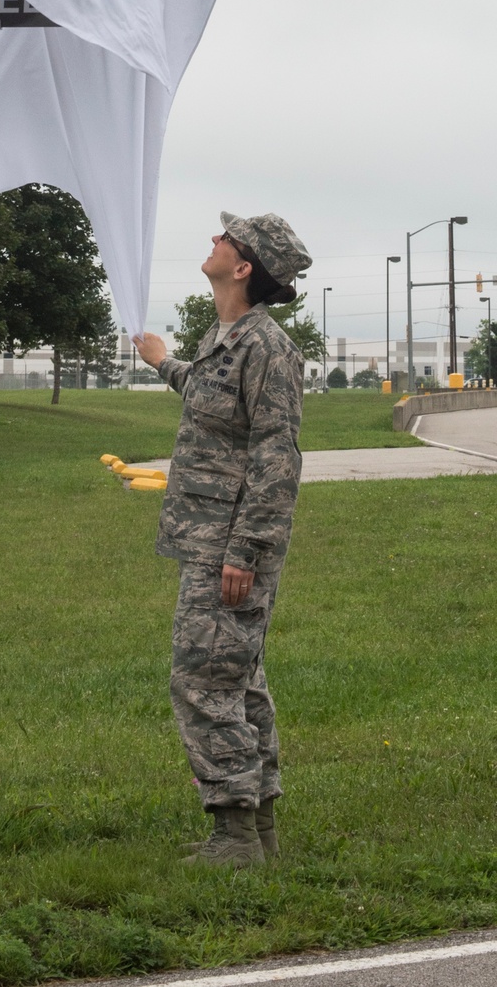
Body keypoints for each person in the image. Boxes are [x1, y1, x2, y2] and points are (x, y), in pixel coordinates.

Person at [134, 212, 311, 869]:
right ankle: (256, 829)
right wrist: (164, 362)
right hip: (207, 535)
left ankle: (234, 834)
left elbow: (276, 456)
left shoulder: (268, 348)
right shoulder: (226, 338)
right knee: (240, 680)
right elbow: (212, 398)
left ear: (243, 268)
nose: (212, 240)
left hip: (231, 546)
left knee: (203, 680)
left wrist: (247, 552)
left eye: (225, 239)